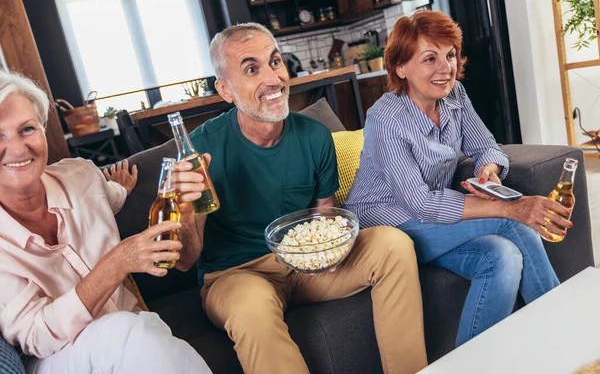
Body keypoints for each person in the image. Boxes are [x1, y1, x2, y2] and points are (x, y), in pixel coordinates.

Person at [172, 23, 428, 374]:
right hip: (236, 275)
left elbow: (324, 213)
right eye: (251, 69)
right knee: (251, 306)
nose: (273, 78)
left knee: (394, 244)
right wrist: (186, 207)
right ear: (225, 89)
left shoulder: (316, 137)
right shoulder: (202, 148)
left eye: (275, 62)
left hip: (306, 266)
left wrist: (331, 249)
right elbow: (186, 260)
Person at [343, 10, 571, 347]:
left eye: (450, 55)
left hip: (432, 220)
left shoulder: (455, 96)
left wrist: (488, 172)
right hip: (387, 227)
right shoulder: (385, 118)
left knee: (503, 258)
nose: (445, 68)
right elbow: (419, 203)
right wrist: (514, 207)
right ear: (401, 67)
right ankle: (570, 343)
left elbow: (486, 147)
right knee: (513, 224)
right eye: (430, 58)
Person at [0, 71, 211, 374]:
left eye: (27, 129)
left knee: (140, 333)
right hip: (58, 358)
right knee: (126, 331)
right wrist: (116, 263)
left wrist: (130, 190)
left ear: (43, 129)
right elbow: (37, 337)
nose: (18, 148)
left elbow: (110, 194)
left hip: (139, 344)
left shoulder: (83, 177)